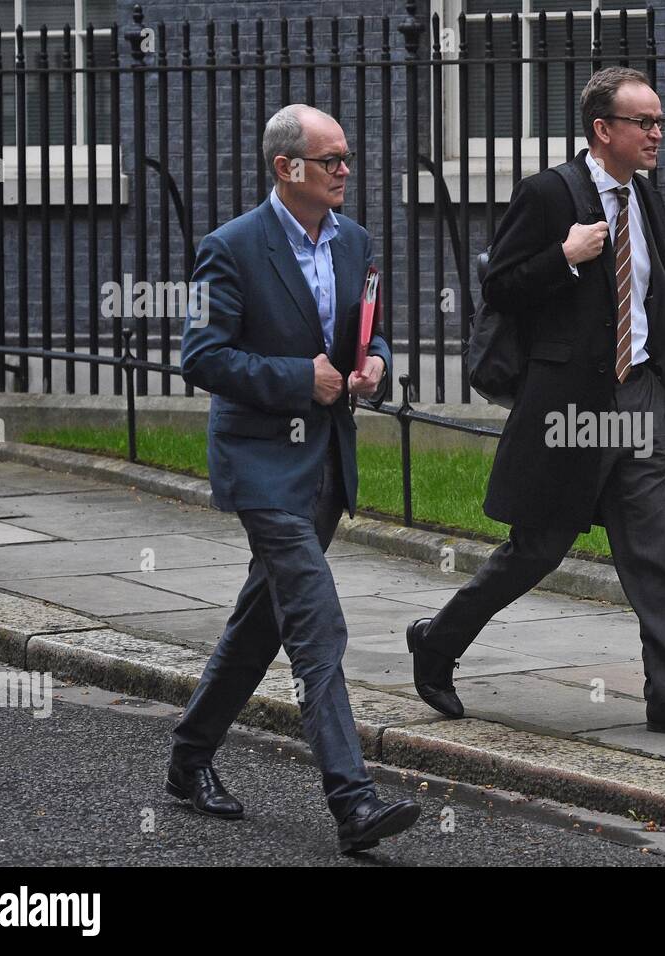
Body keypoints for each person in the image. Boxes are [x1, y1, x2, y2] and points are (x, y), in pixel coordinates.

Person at [406, 67, 665, 737]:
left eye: (659, 122)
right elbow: (500, 285)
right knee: (538, 549)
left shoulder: (647, 196)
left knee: (653, 552)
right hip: (573, 408)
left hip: (641, 395)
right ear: (602, 129)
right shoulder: (549, 194)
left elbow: (654, 294)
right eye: (643, 122)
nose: (656, 133)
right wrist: (562, 254)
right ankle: (438, 643)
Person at [170, 104, 420, 853]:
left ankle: (188, 758)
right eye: (332, 159)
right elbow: (201, 356)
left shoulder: (358, 242)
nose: (346, 170)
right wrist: (295, 379)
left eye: (346, 158)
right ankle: (354, 802)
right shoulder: (230, 248)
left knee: (260, 624)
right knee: (317, 622)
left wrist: (375, 362)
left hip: (326, 466)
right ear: (287, 168)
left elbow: (366, 329)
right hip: (261, 465)